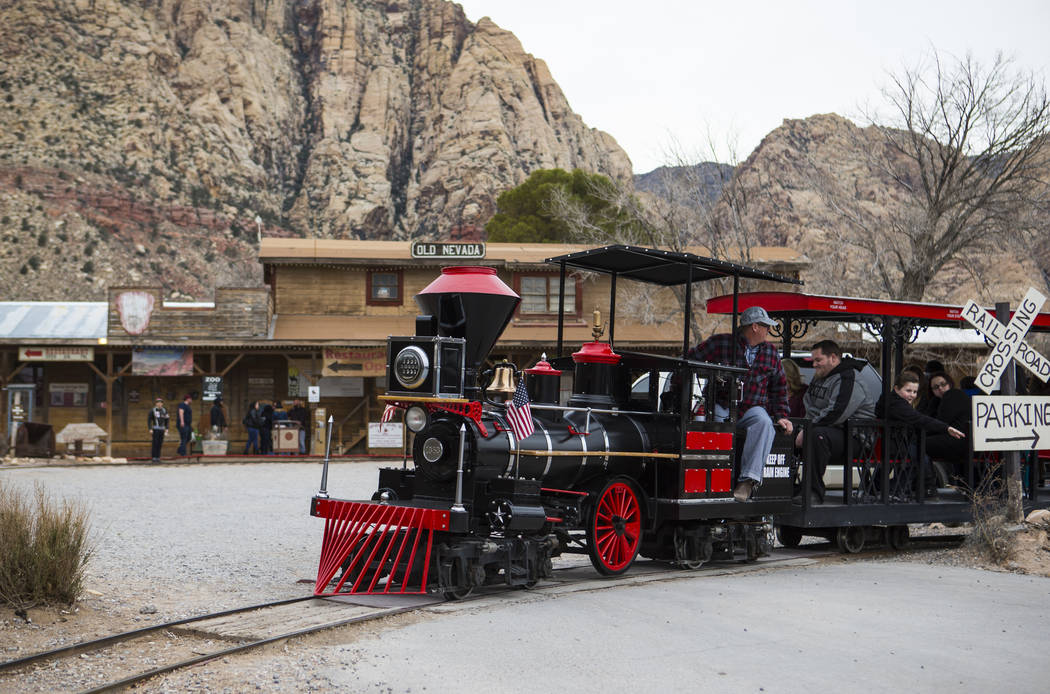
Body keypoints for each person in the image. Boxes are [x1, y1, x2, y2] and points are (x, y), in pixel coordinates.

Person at [687, 305, 793, 502]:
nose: (768, 331)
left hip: (752, 409)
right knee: (710, 424)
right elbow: (688, 361)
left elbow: (778, 388)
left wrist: (782, 416)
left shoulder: (770, 352)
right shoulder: (720, 343)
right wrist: (676, 391)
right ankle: (709, 480)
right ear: (754, 327)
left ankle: (748, 481)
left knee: (764, 423)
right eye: (766, 326)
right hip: (721, 405)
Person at [794, 340, 879, 503]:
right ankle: (790, 486)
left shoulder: (848, 378)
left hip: (856, 438)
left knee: (816, 435)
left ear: (833, 358)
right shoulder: (820, 377)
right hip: (831, 430)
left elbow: (836, 412)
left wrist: (808, 428)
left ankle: (813, 493)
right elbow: (808, 404)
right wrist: (801, 428)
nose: (814, 365)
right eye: (813, 361)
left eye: (818, 360)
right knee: (786, 433)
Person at [876, 371, 965, 495]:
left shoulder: (893, 401)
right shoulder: (896, 404)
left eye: (915, 392)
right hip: (894, 445)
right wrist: (946, 428)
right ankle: (922, 488)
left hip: (894, 443)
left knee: (918, 456)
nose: (912, 395)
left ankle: (885, 487)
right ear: (896, 388)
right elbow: (918, 419)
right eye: (908, 391)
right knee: (919, 457)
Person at [925, 371, 971, 479]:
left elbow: (940, 423)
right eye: (936, 387)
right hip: (958, 441)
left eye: (943, 384)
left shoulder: (953, 394)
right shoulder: (938, 401)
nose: (940, 388)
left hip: (959, 440)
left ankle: (927, 482)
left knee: (919, 444)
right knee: (919, 443)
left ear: (949, 383)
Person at [147, 397, 169, 463]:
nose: (159, 404)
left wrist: (167, 428)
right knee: (155, 443)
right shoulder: (153, 410)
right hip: (155, 429)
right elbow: (149, 420)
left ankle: (158, 457)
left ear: (162, 404)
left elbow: (167, 420)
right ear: (156, 404)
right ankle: (154, 457)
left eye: (160, 403)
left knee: (160, 443)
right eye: (158, 403)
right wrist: (150, 428)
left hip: (162, 429)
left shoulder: (164, 410)